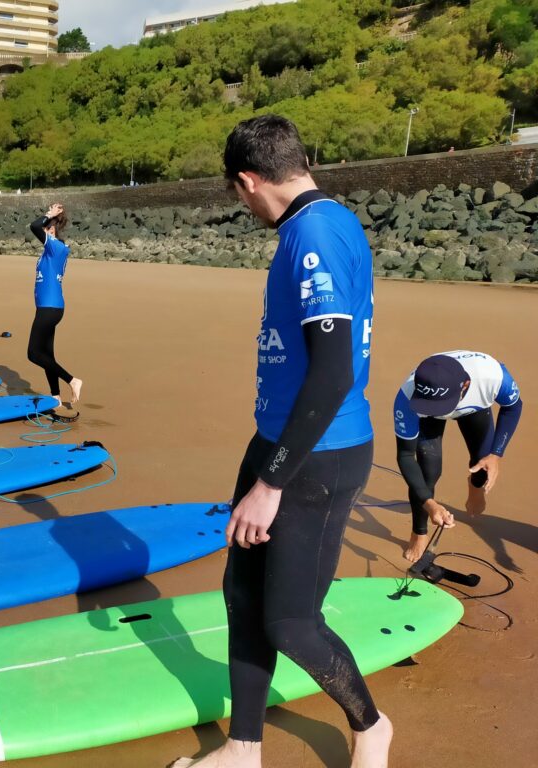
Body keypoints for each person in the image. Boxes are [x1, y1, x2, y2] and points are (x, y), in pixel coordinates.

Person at [173, 115, 390, 768]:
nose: (242, 205)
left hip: (316, 457)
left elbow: (333, 369)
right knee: (242, 596)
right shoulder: (322, 222)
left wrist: (271, 485)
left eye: (238, 194)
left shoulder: (315, 234)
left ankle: (371, 726)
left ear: (248, 180)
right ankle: (243, 750)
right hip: (278, 441)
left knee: (291, 621)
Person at [394, 350, 523, 562]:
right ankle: (419, 533)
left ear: (465, 385)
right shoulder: (408, 396)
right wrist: (430, 503)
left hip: (474, 409)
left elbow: (513, 406)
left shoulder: (492, 375)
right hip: (427, 417)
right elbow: (406, 456)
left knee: (482, 463)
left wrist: (496, 455)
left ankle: (475, 488)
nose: (438, 411)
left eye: (440, 407)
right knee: (429, 472)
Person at [27, 203, 83, 406]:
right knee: (47, 354)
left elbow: (34, 226)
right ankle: (55, 396)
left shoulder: (56, 247)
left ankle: (72, 380)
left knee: (33, 353)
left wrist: (49, 214)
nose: (42, 232)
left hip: (50, 308)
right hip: (46, 307)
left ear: (51, 230)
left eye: (46, 228)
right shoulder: (51, 250)